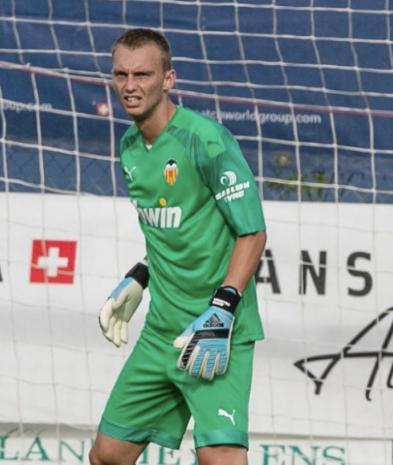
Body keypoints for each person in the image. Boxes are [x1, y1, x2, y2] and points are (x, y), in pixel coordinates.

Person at [89, 29, 267, 465]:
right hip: (160, 332)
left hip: (216, 331)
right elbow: (175, 226)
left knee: (219, 458)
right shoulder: (130, 146)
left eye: (143, 75)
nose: (130, 86)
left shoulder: (206, 140)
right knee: (107, 455)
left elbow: (252, 233)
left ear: (168, 79)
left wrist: (222, 309)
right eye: (121, 75)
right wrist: (140, 276)